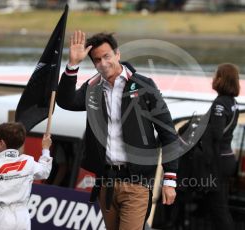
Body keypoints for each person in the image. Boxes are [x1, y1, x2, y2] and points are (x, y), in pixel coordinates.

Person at [56, 31, 179, 230]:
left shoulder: (144, 86)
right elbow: (66, 101)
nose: (103, 63)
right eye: (97, 60)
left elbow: (168, 134)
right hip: (106, 184)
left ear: (117, 54)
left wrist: (170, 180)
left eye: (107, 56)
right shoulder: (93, 87)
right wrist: (73, 65)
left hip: (137, 184)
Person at [0, 122, 52, 230]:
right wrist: (45, 149)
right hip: (23, 217)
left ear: (1, 143)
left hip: (0, 219)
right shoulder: (28, 161)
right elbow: (45, 171)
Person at [200, 63, 240, 230]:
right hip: (227, 157)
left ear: (222, 79)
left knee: (218, 209)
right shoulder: (233, 102)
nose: (213, 78)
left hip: (218, 161)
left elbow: (216, 133)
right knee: (220, 206)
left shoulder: (220, 103)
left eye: (216, 75)